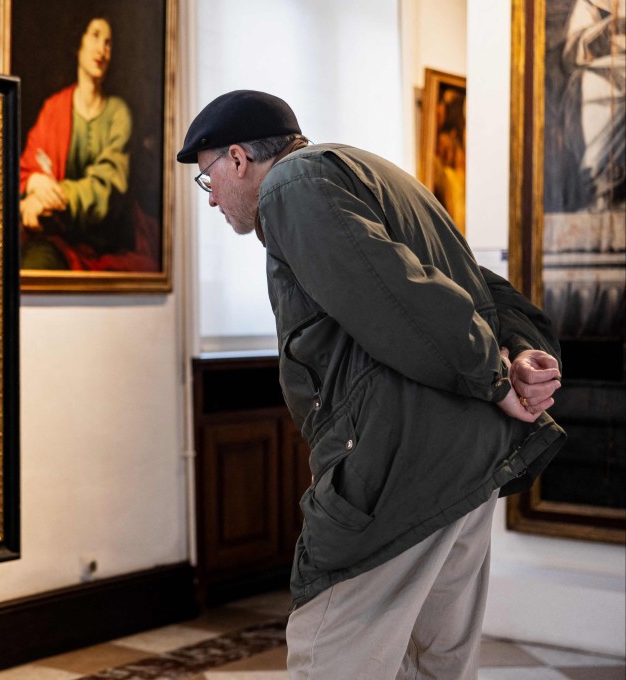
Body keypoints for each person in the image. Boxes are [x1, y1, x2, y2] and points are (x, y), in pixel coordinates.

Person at [177, 90, 567, 679]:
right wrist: (518, 353)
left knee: (329, 654)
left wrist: (494, 376)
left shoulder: (290, 185)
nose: (211, 199)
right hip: (468, 460)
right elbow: (481, 289)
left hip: (402, 460)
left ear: (237, 158)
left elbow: (400, 300)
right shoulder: (379, 174)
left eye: (207, 178)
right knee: (435, 662)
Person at [19, 16, 159, 271]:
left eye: (108, 43)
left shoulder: (118, 113)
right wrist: (34, 182)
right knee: (33, 265)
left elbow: (106, 186)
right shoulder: (54, 108)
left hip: (109, 244)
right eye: (95, 36)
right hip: (57, 238)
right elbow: (29, 166)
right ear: (78, 43)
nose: (101, 50)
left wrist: (52, 197)